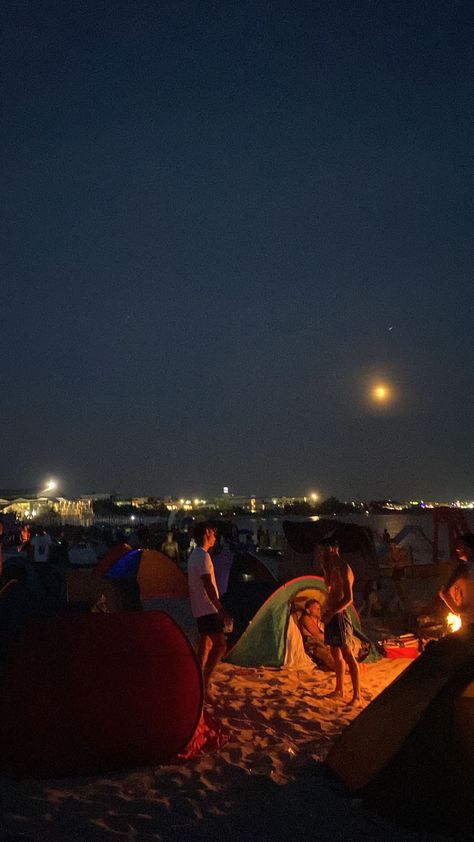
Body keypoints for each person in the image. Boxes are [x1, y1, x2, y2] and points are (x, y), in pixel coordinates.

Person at [188, 522, 232, 697]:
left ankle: (198, 679)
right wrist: (220, 608)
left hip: (199, 608)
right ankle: (204, 682)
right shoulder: (203, 557)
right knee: (220, 645)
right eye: (213, 532)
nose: (215, 536)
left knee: (205, 644)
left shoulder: (194, 556)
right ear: (207, 532)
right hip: (208, 607)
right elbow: (208, 584)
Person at [319, 536, 360, 703]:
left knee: (347, 654)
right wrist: (325, 568)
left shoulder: (344, 568)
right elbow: (329, 588)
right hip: (331, 614)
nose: (324, 552)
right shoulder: (332, 568)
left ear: (335, 548)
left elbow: (349, 598)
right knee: (335, 653)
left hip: (340, 615)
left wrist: (332, 612)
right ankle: (339, 689)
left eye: (327, 549)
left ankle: (357, 695)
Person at [438, 533, 474, 629]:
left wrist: (457, 610)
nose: (457, 549)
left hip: (469, 624)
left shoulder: (463, 569)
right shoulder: (466, 569)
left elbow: (444, 593)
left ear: (470, 549)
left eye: (461, 546)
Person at [299, 598, 335, 671]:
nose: (319, 610)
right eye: (316, 608)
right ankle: (342, 668)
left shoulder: (318, 621)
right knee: (327, 655)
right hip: (312, 646)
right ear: (308, 611)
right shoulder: (306, 618)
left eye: (319, 608)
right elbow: (317, 634)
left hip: (321, 644)